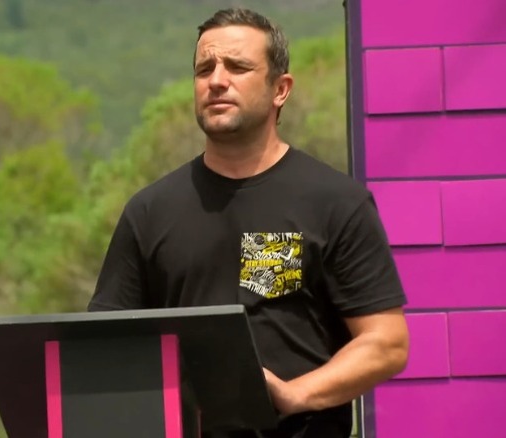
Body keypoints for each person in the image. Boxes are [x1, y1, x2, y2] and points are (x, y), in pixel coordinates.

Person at [86, 7, 410, 438]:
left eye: (237, 67)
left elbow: (386, 343)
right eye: (204, 69)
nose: (217, 81)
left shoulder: (335, 202)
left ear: (281, 89)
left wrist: (295, 394)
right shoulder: (149, 211)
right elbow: (105, 346)